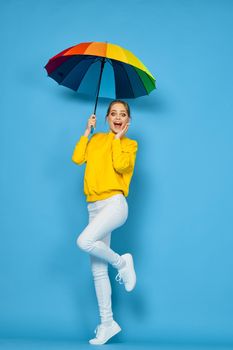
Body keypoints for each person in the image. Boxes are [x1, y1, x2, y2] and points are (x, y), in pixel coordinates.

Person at [72, 99, 138, 345]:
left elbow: (121, 166)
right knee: (98, 271)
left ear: (128, 120)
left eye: (123, 114)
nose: (117, 117)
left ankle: (122, 262)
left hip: (114, 204)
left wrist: (118, 140)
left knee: (84, 241)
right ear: (107, 117)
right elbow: (78, 158)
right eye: (113, 113)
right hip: (94, 206)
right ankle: (107, 323)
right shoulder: (96, 139)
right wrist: (87, 132)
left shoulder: (129, 144)